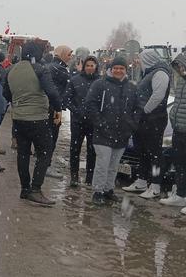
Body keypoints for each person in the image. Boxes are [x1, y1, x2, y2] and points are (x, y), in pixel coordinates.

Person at [4, 41, 62, 205]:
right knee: (45, 151)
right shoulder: (40, 69)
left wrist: (19, 101)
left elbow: (5, 93)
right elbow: (52, 92)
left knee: (23, 153)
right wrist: (58, 108)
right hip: (37, 118)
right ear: (38, 54)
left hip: (19, 119)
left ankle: (25, 189)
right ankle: (36, 189)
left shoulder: (11, 70)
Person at [85, 57, 138, 205]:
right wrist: (100, 123)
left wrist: (132, 125)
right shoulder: (100, 84)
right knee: (102, 163)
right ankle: (97, 191)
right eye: (116, 68)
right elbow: (90, 104)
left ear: (126, 70)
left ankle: (108, 189)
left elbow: (137, 108)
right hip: (103, 133)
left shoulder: (131, 88)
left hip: (122, 134)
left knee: (114, 165)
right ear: (110, 69)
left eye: (121, 68)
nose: (118, 71)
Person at [122, 50, 171, 198]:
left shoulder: (160, 73)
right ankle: (142, 181)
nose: (139, 62)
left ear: (148, 59)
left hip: (154, 119)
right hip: (143, 120)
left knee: (154, 153)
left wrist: (144, 110)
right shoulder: (148, 73)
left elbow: (158, 96)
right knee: (142, 151)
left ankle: (155, 186)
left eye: (141, 59)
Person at [64, 56, 99, 187]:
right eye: (87, 65)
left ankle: (90, 177)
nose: (90, 68)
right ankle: (74, 176)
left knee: (92, 150)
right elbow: (67, 99)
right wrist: (76, 111)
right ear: (84, 67)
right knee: (75, 149)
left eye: (92, 65)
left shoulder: (100, 82)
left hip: (93, 122)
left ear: (96, 67)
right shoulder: (75, 80)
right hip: (78, 121)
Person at [161, 53, 186, 211]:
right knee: (180, 164)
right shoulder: (180, 82)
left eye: (182, 66)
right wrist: (173, 117)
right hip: (179, 130)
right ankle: (180, 195)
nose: (180, 69)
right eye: (178, 67)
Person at [46, 45, 73, 179]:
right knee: (51, 137)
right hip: (53, 108)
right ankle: (46, 166)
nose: (71, 57)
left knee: (50, 136)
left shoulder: (54, 66)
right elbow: (71, 82)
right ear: (61, 54)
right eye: (69, 54)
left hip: (52, 106)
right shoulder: (58, 68)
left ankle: (45, 164)